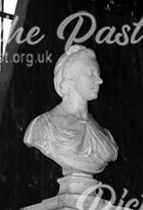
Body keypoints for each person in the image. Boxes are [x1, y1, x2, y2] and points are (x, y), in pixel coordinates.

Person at [23, 45, 118, 177]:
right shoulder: (43, 126)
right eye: (91, 74)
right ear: (70, 78)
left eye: (99, 75)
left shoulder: (104, 134)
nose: (100, 80)